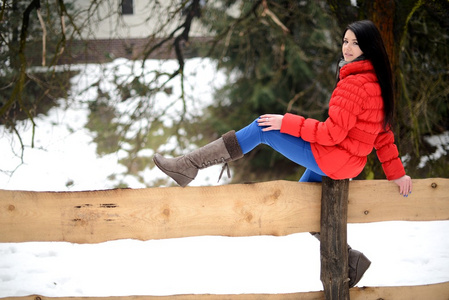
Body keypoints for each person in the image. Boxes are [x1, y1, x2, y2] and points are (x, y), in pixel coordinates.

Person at [153, 20, 413, 288]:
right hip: (350, 163)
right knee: (304, 201)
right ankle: (350, 258)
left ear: (368, 46)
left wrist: (284, 122)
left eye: (355, 43)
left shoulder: (353, 85)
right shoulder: (377, 83)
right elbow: (383, 136)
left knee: (263, 127)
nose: (347, 48)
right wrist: (398, 174)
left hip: (334, 158)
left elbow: (330, 134)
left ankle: (189, 164)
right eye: (345, 41)